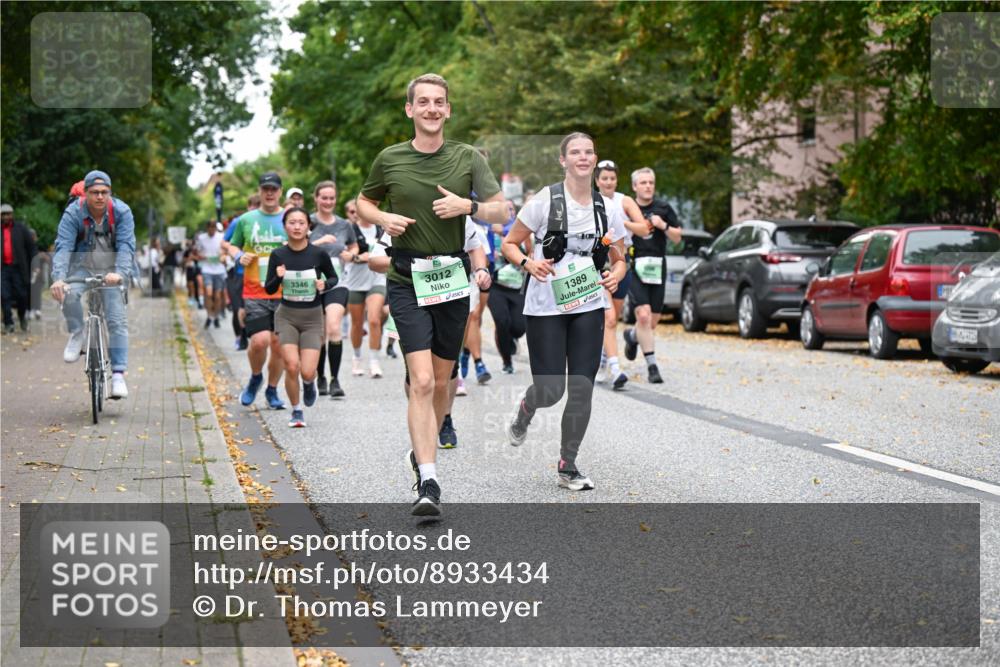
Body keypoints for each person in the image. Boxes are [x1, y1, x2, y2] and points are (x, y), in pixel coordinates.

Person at [356, 72, 508, 516]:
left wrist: (470, 207)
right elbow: (364, 201)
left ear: (448, 109)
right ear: (410, 109)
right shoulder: (390, 158)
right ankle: (429, 480)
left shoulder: (466, 158)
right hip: (406, 280)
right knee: (420, 381)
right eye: (423, 102)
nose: (431, 109)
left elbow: (501, 209)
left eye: (439, 102)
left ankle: (423, 455)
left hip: (451, 280)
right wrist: (383, 218)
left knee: (443, 382)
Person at [501, 133, 628, 491]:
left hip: (588, 302)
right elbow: (510, 244)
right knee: (552, 388)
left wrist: (616, 275)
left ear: (595, 158)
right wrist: (529, 263)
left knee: (583, 387)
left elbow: (620, 258)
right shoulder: (545, 200)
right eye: (575, 152)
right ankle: (527, 406)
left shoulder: (608, 207)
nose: (583, 157)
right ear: (563, 160)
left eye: (589, 152)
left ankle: (567, 464)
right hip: (545, 306)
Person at [49, 170, 136, 398]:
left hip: (112, 270)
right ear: (85, 194)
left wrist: (120, 273)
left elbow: (126, 246)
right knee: (69, 293)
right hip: (82, 267)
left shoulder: (121, 211)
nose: (99, 197)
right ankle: (77, 332)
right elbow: (63, 246)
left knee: (116, 320)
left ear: (110, 193)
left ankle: (117, 375)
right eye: (94, 192)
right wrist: (58, 278)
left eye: (104, 192)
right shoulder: (73, 213)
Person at [264, 207, 337, 428]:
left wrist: (324, 284)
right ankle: (296, 411)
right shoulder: (278, 255)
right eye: (292, 223)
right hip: (287, 316)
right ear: (285, 226)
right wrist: (277, 278)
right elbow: (268, 289)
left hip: (313, 318)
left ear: (308, 227)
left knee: (307, 370)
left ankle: (309, 383)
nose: (297, 227)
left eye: (301, 223)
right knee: (291, 365)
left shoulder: (318, 254)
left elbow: (333, 277)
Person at [226, 171, 288, 410]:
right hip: (255, 290)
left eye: (274, 189)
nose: (270, 193)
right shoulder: (247, 219)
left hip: (285, 291)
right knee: (260, 342)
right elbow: (232, 246)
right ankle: (255, 377)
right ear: (260, 192)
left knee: (279, 345)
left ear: (280, 192)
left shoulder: (288, 218)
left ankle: (272, 390)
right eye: (266, 189)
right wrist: (239, 256)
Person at [594, 160, 652, 389]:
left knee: (612, 319)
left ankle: (601, 360)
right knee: (608, 318)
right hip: (599, 264)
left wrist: (620, 221)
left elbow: (644, 228)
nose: (608, 182)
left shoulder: (624, 201)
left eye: (612, 178)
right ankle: (616, 368)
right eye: (604, 178)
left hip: (621, 262)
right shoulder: (589, 201)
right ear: (597, 181)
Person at [623, 167, 682, 384]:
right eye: (643, 182)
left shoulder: (663, 208)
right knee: (644, 316)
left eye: (651, 182)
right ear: (635, 186)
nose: (648, 186)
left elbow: (677, 238)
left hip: (657, 265)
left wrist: (663, 225)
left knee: (652, 322)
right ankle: (653, 367)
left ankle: (631, 336)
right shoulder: (628, 208)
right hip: (634, 265)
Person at [309, 180, 358, 397]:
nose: (328, 202)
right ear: (316, 198)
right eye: (324, 198)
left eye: (331, 198)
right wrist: (319, 243)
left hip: (338, 281)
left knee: (333, 327)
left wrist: (351, 254)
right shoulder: (307, 222)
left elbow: (353, 245)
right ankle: (319, 377)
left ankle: (335, 380)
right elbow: (294, 245)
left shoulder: (344, 224)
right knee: (319, 333)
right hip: (311, 282)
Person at [342, 197, 389, 380]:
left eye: (375, 205)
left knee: (375, 319)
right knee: (356, 322)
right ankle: (356, 357)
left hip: (376, 279)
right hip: (355, 280)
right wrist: (358, 258)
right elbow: (344, 254)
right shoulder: (350, 229)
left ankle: (374, 360)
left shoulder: (381, 229)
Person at [486, 200, 528, 374]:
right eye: (504, 209)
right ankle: (507, 360)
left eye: (511, 209)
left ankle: (511, 338)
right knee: (502, 321)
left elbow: (529, 254)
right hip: (496, 286)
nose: (508, 212)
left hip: (518, 286)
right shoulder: (490, 231)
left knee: (519, 327)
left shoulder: (524, 232)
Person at [222, 194, 260, 351]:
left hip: (258, 273)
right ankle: (241, 335)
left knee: (251, 308)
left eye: (258, 205)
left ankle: (251, 333)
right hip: (238, 273)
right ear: (248, 206)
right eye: (252, 205)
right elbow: (224, 242)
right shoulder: (239, 221)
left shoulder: (265, 221)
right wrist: (238, 255)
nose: (255, 208)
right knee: (239, 307)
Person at [1, 203, 37, 333]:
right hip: (3, 269)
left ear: (12, 215)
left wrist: (35, 264)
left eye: (8, 214)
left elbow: (32, 247)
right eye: (3, 214)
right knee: (4, 295)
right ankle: (8, 323)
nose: (6, 217)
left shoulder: (20, 229)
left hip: (19, 268)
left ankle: (22, 317)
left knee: (22, 295)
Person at [194, 219, 227, 329]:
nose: (212, 231)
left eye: (214, 228)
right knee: (208, 293)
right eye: (210, 228)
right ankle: (209, 315)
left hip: (219, 270)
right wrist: (202, 256)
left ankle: (216, 316)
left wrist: (222, 254)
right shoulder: (202, 238)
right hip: (207, 269)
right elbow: (197, 252)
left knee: (217, 296)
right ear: (207, 228)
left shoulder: (221, 236)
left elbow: (226, 250)